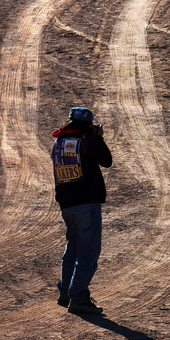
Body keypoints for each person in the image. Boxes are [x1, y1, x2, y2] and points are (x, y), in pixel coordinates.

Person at [51, 106, 112, 315]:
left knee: (72, 250)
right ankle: (79, 299)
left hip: (67, 207)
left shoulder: (58, 143)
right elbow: (107, 160)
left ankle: (66, 293)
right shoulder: (86, 141)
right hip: (87, 205)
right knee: (88, 255)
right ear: (88, 125)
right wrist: (98, 138)